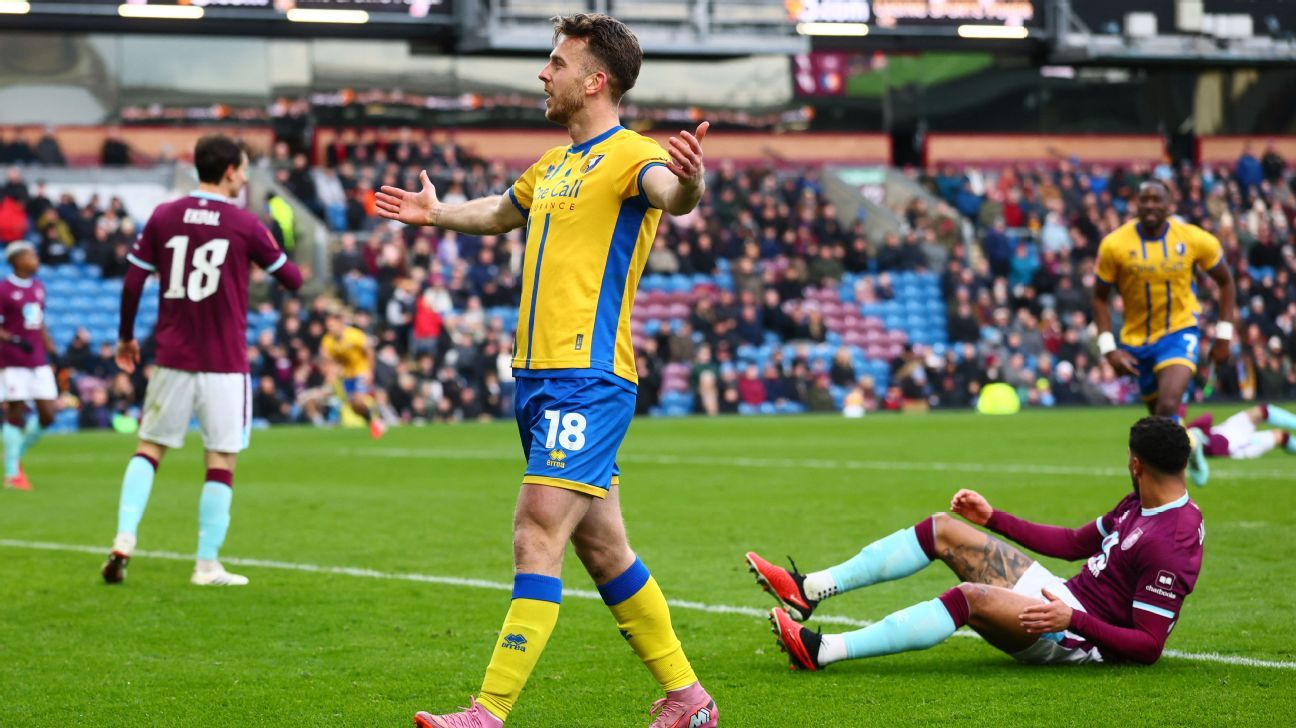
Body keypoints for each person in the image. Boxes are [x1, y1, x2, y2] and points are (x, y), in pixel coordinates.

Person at [376, 13, 717, 728]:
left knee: (536, 529)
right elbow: (502, 212)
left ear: (595, 81)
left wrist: (691, 181)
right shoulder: (554, 165)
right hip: (536, 380)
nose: (544, 72)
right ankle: (688, 698)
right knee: (603, 548)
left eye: (557, 63)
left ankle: (488, 712)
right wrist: (436, 216)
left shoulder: (633, 156)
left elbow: (672, 196)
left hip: (586, 378)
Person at [747, 417, 1202, 670]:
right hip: (1065, 599)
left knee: (970, 599)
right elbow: (1071, 543)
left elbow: (1148, 646)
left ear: (1136, 464)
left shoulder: (1171, 541)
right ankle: (808, 589)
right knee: (943, 528)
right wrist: (992, 519)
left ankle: (822, 650)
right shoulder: (1141, 501)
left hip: (1081, 639)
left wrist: (1073, 619)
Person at [102, 134, 303, 587]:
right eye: (244, 169)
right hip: (224, 362)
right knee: (221, 460)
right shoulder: (245, 223)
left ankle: (124, 537)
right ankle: (206, 565)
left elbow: (133, 283)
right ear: (230, 170)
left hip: (172, 356)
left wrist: (126, 338)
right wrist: (266, 249)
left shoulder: (164, 215)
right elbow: (291, 279)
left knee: (148, 448)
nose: (246, 178)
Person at [1092, 180, 1236, 422]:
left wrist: (1223, 337)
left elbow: (1226, 282)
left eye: (1157, 200)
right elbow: (1099, 297)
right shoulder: (1114, 245)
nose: (1150, 205)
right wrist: (1108, 350)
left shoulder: (1192, 239)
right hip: (1137, 341)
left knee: (1168, 405)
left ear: (1169, 204)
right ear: (1135, 204)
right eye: (1144, 200)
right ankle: (1194, 440)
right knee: (1164, 420)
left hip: (1179, 331)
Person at [0, 241, 58, 491]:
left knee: (48, 414)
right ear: (17, 260)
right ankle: (12, 474)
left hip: (37, 359)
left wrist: (52, 350)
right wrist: (14, 340)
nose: (36, 259)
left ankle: (15, 455)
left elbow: (39, 323)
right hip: (13, 360)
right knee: (15, 412)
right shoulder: (4, 289)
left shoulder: (38, 287)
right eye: (31, 255)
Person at [1184, 404, 1296, 487]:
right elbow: (1207, 419)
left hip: (1225, 430)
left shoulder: (1185, 431)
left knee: (1262, 411)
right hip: (1234, 448)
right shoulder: (1189, 444)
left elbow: (1207, 418)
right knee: (1280, 436)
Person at [320, 309, 385, 438]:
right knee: (355, 407)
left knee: (358, 400)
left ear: (340, 323)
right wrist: (331, 372)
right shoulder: (328, 340)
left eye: (332, 326)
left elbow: (369, 351)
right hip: (347, 376)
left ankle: (378, 419)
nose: (330, 329)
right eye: (328, 326)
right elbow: (326, 358)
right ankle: (373, 418)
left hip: (361, 371)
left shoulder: (354, 335)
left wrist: (370, 371)